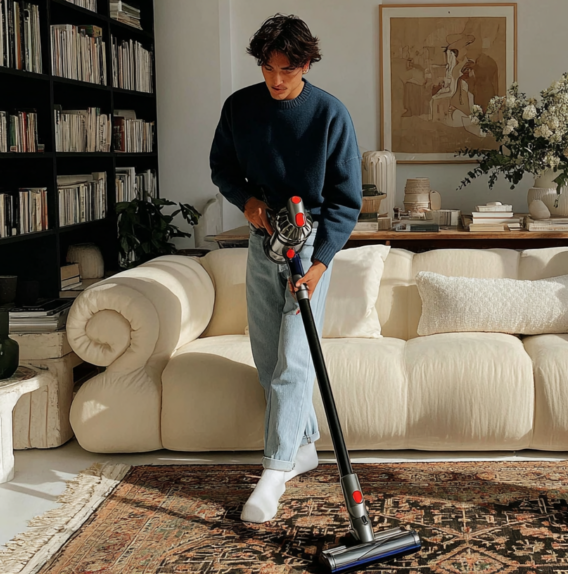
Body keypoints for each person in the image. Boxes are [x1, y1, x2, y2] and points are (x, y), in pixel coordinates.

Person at [209, 13, 362, 523]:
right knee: (267, 357)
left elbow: (346, 199)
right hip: (263, 240)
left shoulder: (330, 114)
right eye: (268, 68)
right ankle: (303, 447)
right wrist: (247, 201)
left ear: (307, 64)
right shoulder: (240, 107)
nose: (276, 80)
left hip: (309, 241)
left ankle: (273, 475)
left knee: (295, 360)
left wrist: (320, 264)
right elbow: (222, 167)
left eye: (287, 70)